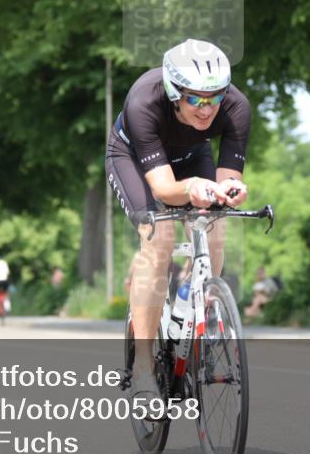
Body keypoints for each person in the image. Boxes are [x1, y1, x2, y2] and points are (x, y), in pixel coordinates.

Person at [106, 38, 250, 408]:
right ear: (173, 92)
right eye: (196, 100)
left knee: (214, 230)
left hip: (191, 156)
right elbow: (166, 189)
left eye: (215, 98)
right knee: (160, 238)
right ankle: (141, 366)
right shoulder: (143, 102)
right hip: (135, 159)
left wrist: (230, 188)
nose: (208, 110)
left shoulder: (235, 108)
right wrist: (193, 188)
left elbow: (227, 176)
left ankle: (198, 310)